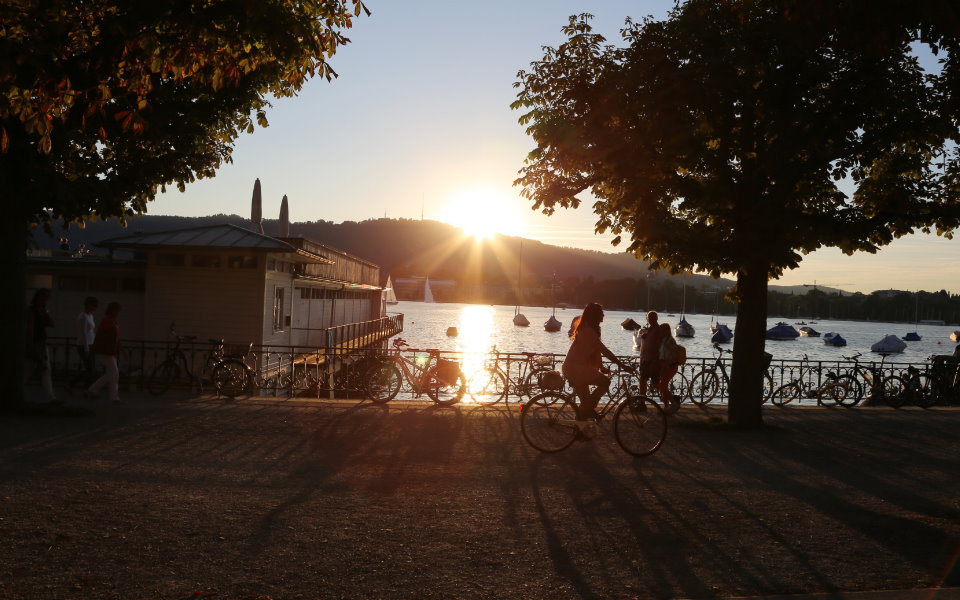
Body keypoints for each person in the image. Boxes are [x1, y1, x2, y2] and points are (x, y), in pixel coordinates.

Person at [561, 303, 629, 421]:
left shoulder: (587, 330)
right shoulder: (589, 331)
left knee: (585, 402)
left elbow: (595, 351)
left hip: (573, 368)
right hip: (576, 369)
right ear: (595, 315)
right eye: (601, 313)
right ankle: (589, 410)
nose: (603, 315)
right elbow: (605, 351)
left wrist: (601, 366)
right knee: (605, 382)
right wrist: (622, 365)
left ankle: (580, 429)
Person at [25, 289, 57, 402]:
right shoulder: (32, 310)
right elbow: (30, 328)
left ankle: (50, 397)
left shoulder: (42, 311)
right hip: (35, 343)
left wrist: (45, 311)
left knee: (45, 369)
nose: (45, 300)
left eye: (47, 298)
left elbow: (52, 323)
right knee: (28, 369)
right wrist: (30, 344)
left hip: (42, 343)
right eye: (44, 298)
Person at [87, 302, 122, 404]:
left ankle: (92, 390)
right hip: (106, 351)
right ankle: (114, 398)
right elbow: (102, 335)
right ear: (112, 310)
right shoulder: (107, 321)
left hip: (110, 351)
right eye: (116, 310)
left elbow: (117, 338)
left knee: (110, 374)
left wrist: (121, 349)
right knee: (114, 374)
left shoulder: (113, 321)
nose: (117, 313)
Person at [70, 296, 99, 390]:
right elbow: (84, 334)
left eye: (95, 306)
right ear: (88, 305)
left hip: (91, 344)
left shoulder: (90, 316)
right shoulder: (83, 316)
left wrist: (95, 343)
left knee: (91, 369)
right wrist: (86, 349)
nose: (94, 308)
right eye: (93, 306)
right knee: (90, 369)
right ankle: (86, 389)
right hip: (83, 345)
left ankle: (79, 386)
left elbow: (91, 332)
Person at [635, 311, 665, 395]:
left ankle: (671, 400)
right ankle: (642, 401)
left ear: (656, 318)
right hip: (646, 360)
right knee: (643, 381)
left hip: (653, 360)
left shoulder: (658, 330)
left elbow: (658, 345)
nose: (650, 320)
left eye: (652, 318)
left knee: (655, 384)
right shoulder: (650, 329)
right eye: (649, 318)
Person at [657, 322, 683, 414]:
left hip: (671, 366)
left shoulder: (670, 341)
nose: (661, 332)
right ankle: (666, 407)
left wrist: (666, 363)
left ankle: (674, 404)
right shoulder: (663, 340)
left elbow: (673, 354)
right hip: (664, 367)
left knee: (663, 386)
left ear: (667, 330)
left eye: (663, 330)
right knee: (663, 387)